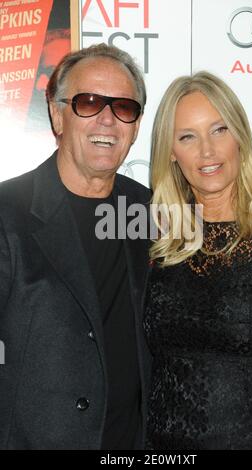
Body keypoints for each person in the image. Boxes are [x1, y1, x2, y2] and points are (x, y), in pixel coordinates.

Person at [0, 43, 152, 450]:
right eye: (88, 102)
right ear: (56, 113)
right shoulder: (6, 212)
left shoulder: (152, 210)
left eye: (124, 107)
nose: (107, 120)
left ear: (136, 127)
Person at [144, 71, 252, 450]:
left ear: (240, 136)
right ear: (170, 151)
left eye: (219, 130)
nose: (207, 151)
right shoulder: (153, 230)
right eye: (187, 137)